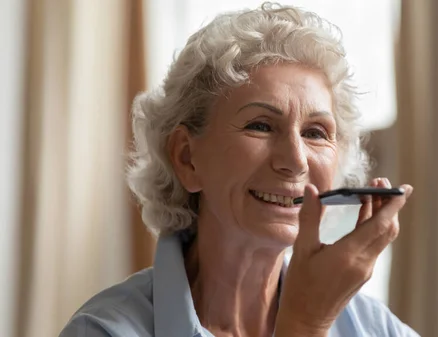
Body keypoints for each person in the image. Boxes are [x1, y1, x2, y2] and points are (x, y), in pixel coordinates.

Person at [60, 3, 418, 337]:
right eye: (260, 126)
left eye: (315, 133)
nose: (295, 160)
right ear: (186, 158)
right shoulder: (104, 329)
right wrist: (305, 322)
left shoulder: (373, 327)